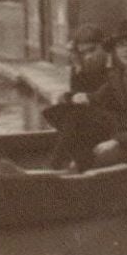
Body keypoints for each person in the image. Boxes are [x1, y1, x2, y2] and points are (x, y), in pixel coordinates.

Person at [48, 19, 127, 172]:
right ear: (115, 50)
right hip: (123, 131)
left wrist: (117, 141)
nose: (126, 50)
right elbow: (97, 97)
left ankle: (73, 171)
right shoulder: (118, 76)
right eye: (121, 46)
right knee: (74, 114)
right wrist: (73, 97)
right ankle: (55, 167)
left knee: (95, 157)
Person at [42, 23, 110, 168]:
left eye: (92, 50)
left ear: (103, 46)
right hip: (93, 116)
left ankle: (54, 165)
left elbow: (107, 95)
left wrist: (82, 98)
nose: (89, 56)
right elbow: (79, 94)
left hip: (114, 117)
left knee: (75, 116)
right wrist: (78, 70)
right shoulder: (84, 66)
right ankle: (74, 161)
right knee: (54, 112)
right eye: (83, 53)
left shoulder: (113, 67)